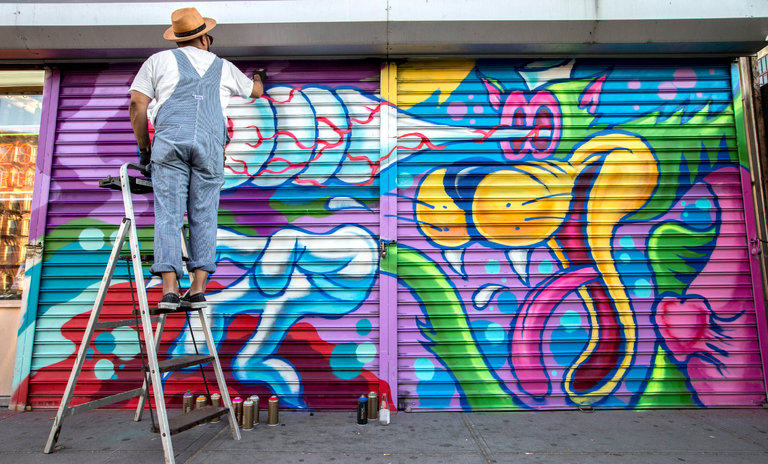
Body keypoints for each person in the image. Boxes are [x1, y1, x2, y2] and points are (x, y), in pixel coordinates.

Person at [129, 7, 264, 311]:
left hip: (170, 142)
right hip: (210, 144)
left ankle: (169, 290)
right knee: (205, 214)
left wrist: (144, 147)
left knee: (169, 214)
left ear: (177, 38)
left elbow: (138, 103)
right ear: (205, 37)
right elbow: (255, 91)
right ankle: (198, 289)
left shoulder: (157, 61)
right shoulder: (224, 66)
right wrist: (258, 78)